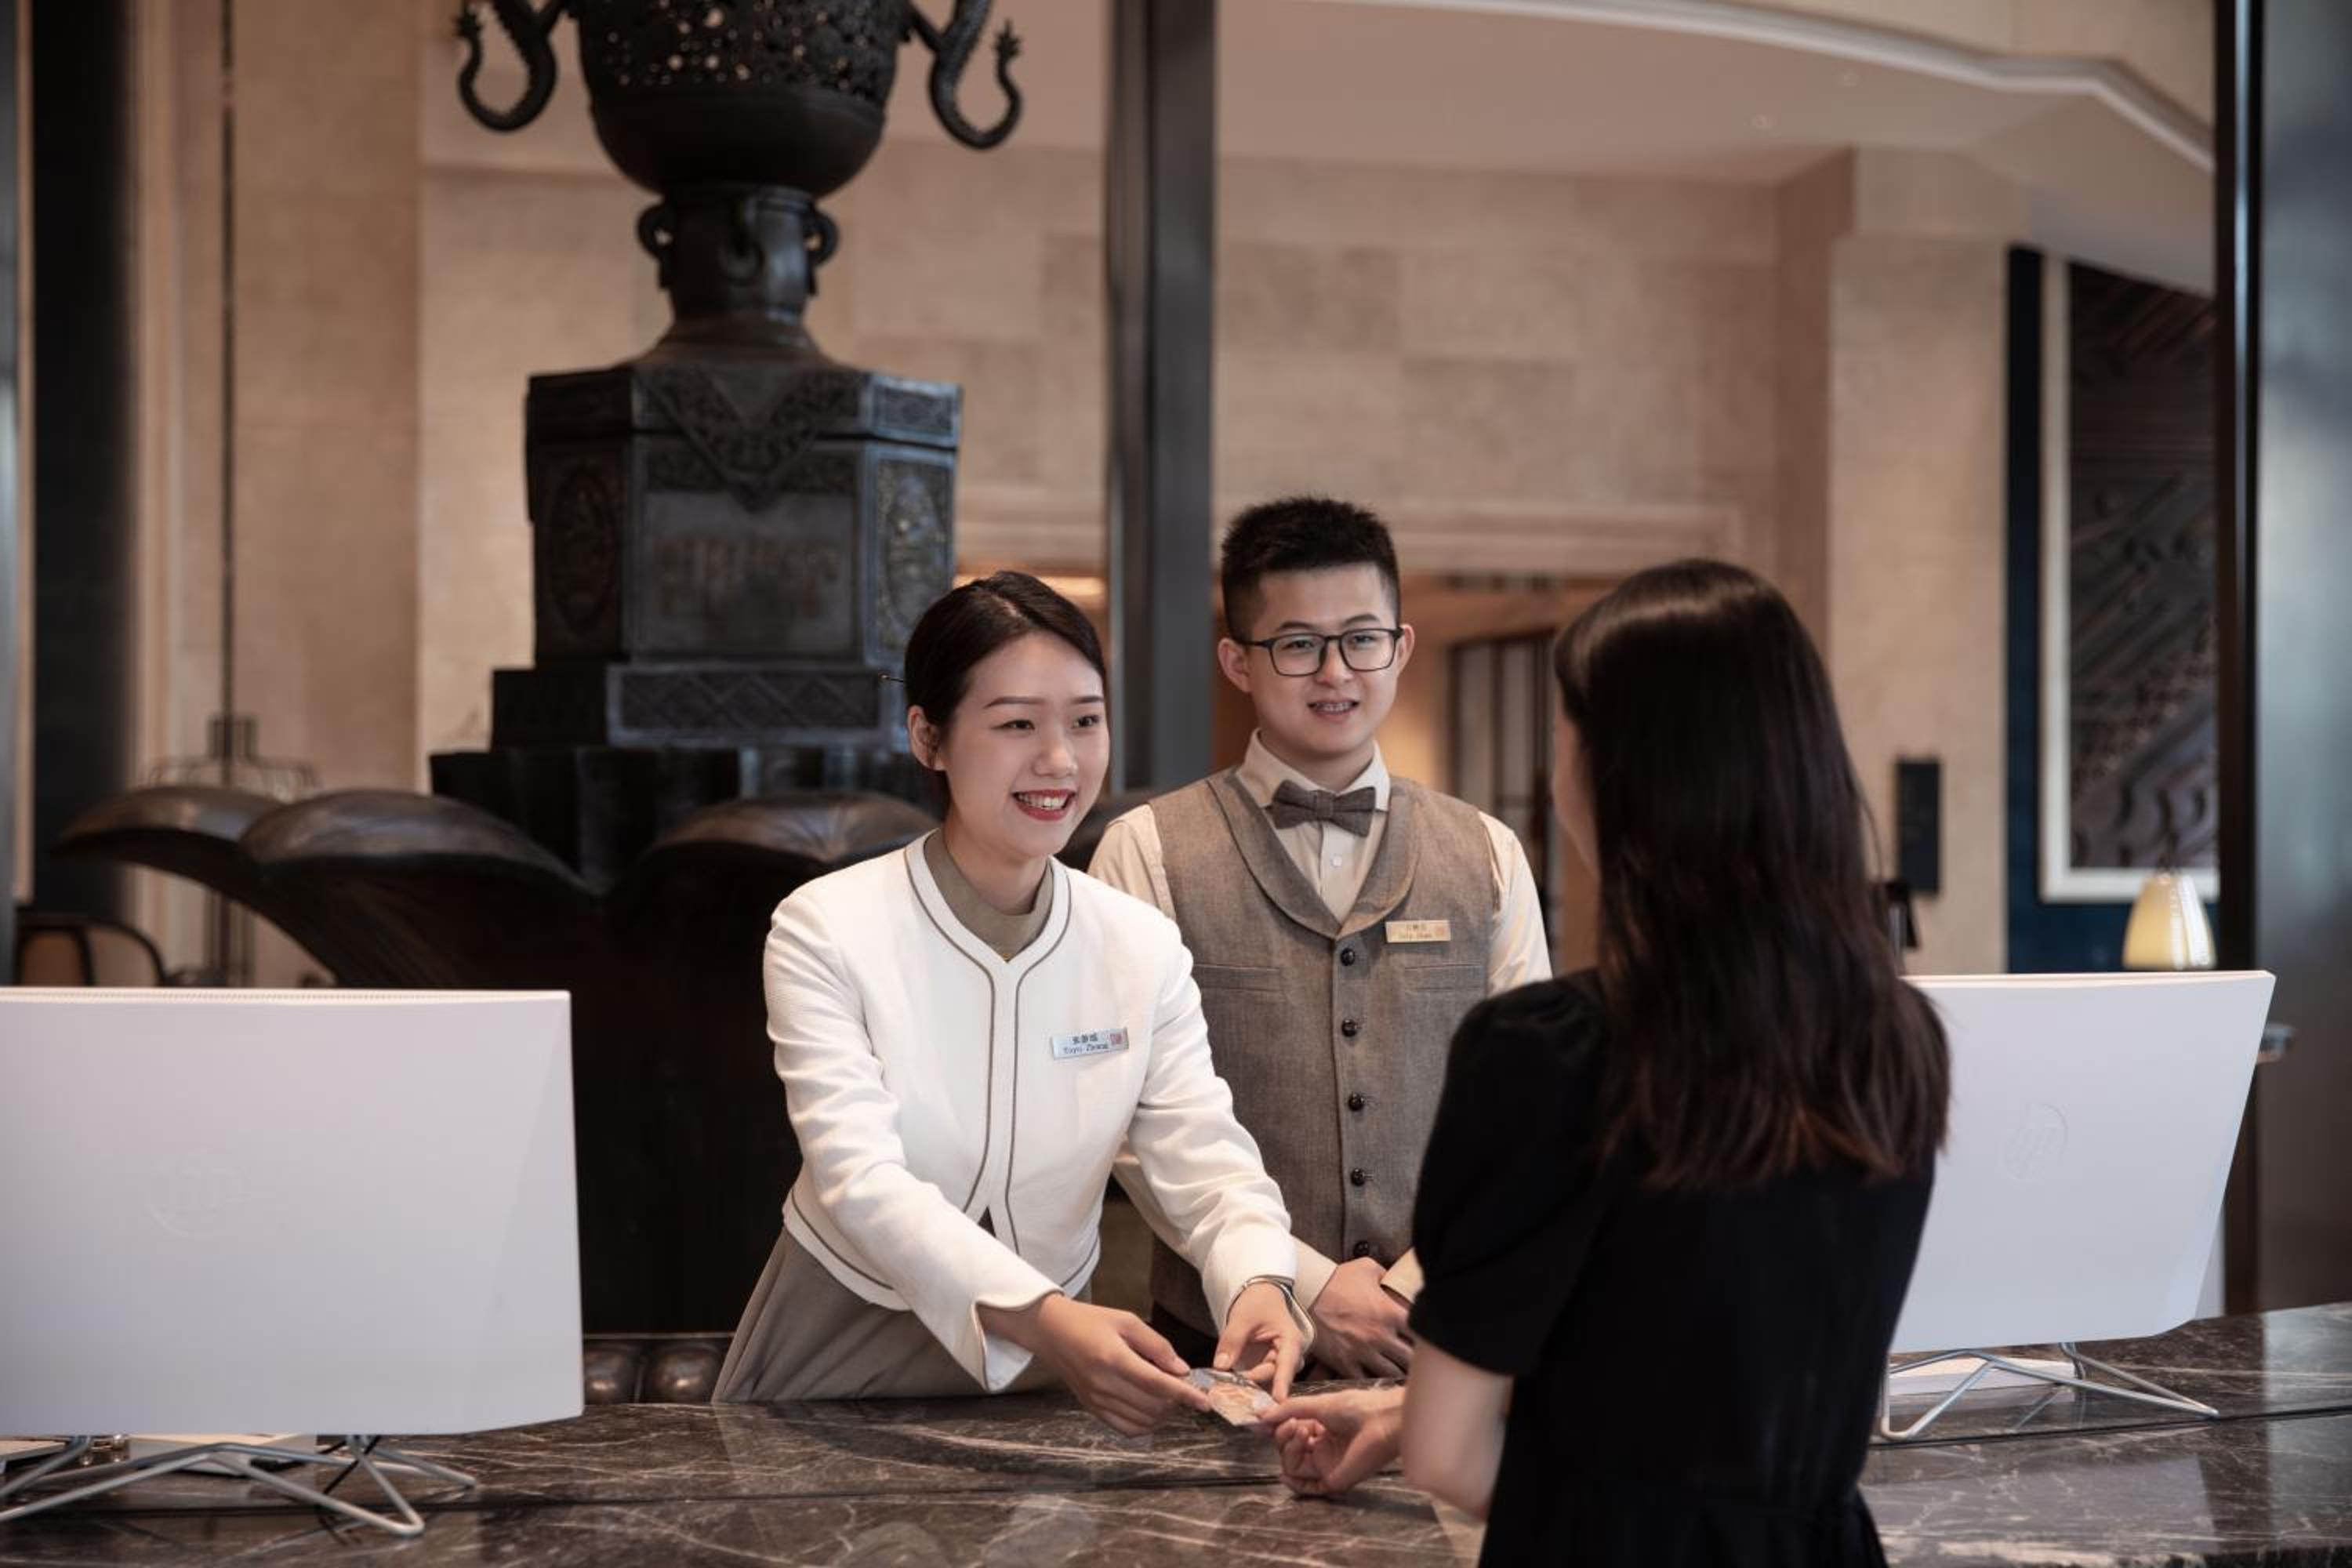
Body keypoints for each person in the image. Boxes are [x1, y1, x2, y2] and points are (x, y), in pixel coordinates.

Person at [1261, 560, 1951, 1566]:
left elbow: (1454, 1455)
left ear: (1614, 774)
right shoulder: (1897, 1037)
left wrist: (1432, 1415)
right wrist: (1415, 1412)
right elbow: (1698, 1383)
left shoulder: (1548, 1051)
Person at [715, 572, 1308, 1432]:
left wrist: (1260, 1279)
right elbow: (859, 1177)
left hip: (1058, 1369)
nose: (1060, 759)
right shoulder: (827, 925)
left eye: (1086, 720)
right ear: (929, 736)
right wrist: (1050, 1321)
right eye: (1018, 723)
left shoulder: (1139, 943)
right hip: (835, 1352)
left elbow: (1206, 1159)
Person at [1090, 496, 1551, 1378]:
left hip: (1442, 1330)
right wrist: (1300, 1281)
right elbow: (1133, 1117)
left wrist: (1407, 1288)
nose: (1335, 672)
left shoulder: (1488, 851)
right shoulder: (1145, 850)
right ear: (1238, 660)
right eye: (1298, 644)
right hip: (1221, 1343)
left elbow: (1532, 1107)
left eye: (1361, 639)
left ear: (1401, 647)